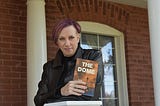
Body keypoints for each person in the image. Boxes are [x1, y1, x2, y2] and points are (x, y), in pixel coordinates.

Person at [34, 19, 103, 106]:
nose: (67, 43)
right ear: (57, 42)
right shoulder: (49, 67)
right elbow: (38, 100)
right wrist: (61, 91)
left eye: (71, 37)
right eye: (62, 39)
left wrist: (51, 97)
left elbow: (87, 96)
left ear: (78, 38)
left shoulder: (91, 57)